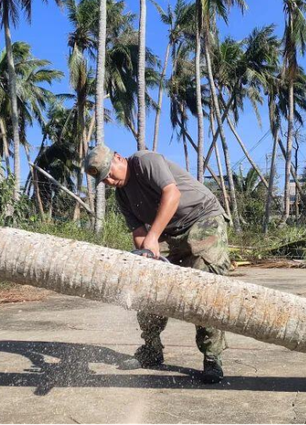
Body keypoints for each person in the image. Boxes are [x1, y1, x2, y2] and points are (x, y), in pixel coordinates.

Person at [84, 144, 231, 384]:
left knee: (205, 286)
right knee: (149, 288)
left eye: (109, 173)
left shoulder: (144, 161)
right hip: (169, 233)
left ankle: (212, 358)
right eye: (104, 180)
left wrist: (153, 237)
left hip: (202, 219)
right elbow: (139, 232)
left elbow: (172, 194)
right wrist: (145, 254)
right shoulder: (123, 196)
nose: (109, 180)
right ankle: (151, 350)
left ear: (119, 157)